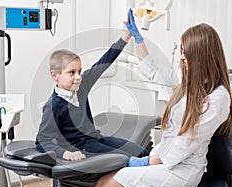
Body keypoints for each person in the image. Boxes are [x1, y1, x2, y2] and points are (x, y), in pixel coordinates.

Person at [93, 8, 232, 187]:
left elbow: (186, 143)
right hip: (165, 161)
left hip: (182, 170)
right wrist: (138, 39)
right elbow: (155, 73)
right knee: (100, 185)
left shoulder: (218, 97)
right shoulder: (189, 79)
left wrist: (150, 161)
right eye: (182, 52)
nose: (182, 58)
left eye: (186, 53)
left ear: (202, 55)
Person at [35, 27, 148, 162]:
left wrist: (126, 36)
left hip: (95, 139)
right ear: (55, 75)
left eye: (79, 71)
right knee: (126, 158)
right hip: (80, 147)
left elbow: (105, 61)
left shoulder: (82, 85)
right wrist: (65, 153)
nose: (78, 77)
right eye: (72, 72)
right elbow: (41, 140)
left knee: (141, 151)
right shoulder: (53, 106)